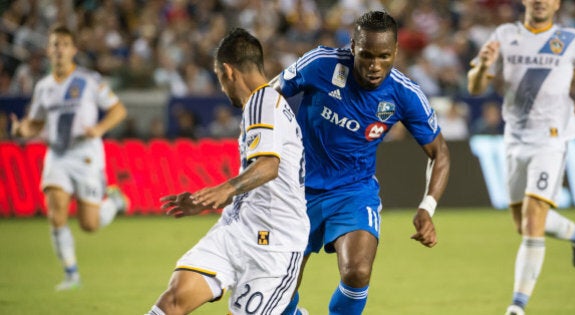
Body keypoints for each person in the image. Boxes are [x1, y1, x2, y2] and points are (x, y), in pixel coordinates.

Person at [272, 11, 450, 315]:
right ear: (353, 45)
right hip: (295, 189)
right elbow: (269, 96)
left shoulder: (405, 94)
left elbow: (440, 153)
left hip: (354, 191)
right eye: (366, 55)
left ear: (395, 52)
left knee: (357, 272)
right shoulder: (321, 64)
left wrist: (427, 207)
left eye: (383, 56)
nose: (374, 66)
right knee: (278, 289)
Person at [147, 28, 309, 315]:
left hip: (274, 245)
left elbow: (269, 166)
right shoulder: (260, 106)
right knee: (174, 299)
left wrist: (226, 189)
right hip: (236, 229)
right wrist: (208, 200)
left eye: (219, 78)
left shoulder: (264, 102)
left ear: (227, 71)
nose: (222, 87)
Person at [466, 1, 575, 314]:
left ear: (557, 3)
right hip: (514, 139)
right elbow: (475, 87)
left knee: (532, 219)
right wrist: (482, 66)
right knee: (524, 223)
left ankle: (517, 306)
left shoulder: (569, 39)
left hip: (551, 139)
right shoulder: (504, 34)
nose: (541, 1)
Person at [9, 24, 129, 291]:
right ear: (48, 50)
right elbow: (36, 124)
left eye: (64, 44)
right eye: (55, 44)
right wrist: (21, 130)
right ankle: (71, 274)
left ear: (73, 50)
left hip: (86, 154)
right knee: (56, 212)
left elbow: (118, 110)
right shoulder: (43, 87)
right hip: (58, 154)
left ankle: (115, 201)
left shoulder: (89, 79)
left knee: (90, 224)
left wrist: (98, 129)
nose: (59, 49)